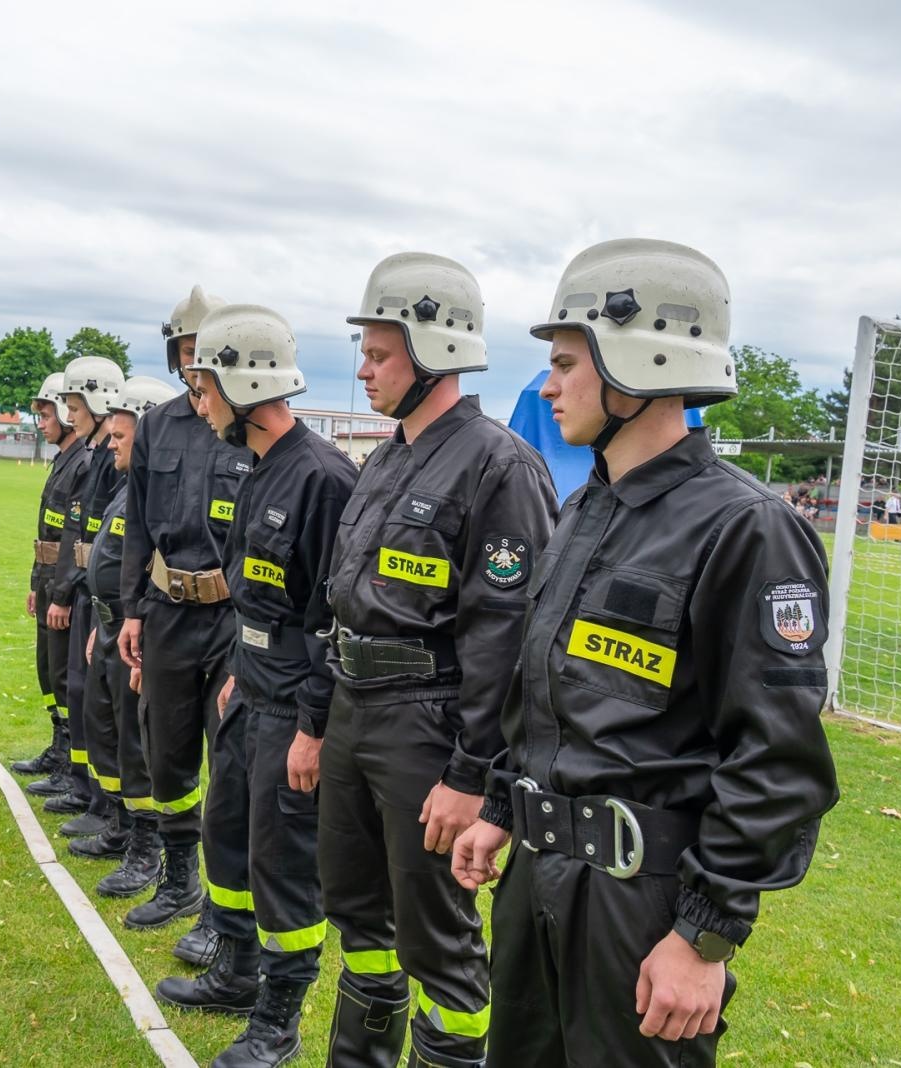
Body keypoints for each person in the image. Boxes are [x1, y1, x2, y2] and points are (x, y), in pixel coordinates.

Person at [450, 238, 840, 1067]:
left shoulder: (747, 529)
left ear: (641, 359)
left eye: (564, 362)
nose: (548, 384)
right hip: (540, 879)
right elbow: (544, 692)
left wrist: (705, 935)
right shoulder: (584, 509)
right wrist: (497, 807)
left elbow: (777, 761)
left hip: (642, 902)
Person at [320, 254, 557, 1068]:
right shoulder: (385, 459)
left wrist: (470, 775)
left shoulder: (498, 466)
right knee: (355, 909)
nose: (363, 370)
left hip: (428, 726)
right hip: (355, 709)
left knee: (439, 942)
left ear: (433, 354)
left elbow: (505, 643)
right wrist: (322, 724)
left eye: (379, 354)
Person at [158, 305, 358, 1068]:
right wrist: (238, 673)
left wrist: (312, 727)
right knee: (228, 837)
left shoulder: (323, 478)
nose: (197, 400)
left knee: (284, 866)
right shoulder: (257, 468)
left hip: (294, 712)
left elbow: (330, 619)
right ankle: (237, 970)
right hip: (250, 696)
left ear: (243, 385)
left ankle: (279, 1017)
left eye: (204, 385)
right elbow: (259, 598)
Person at [119, 285, 253, 961]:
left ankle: (220, 913)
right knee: (166, 754)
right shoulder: (158, 425)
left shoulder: (248, 426)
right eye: (186, 349)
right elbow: (138, 523)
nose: (194, 361)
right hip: (167, 614)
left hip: (233, 619)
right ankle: (178, 881)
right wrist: (132, 612)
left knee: (229, 766)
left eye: (205, 348)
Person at [76, 376, 180, 896]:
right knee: (111, 728)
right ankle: (119, 824)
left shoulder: (164, 497)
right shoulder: (128, 491)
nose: (111, 444)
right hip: (113, 628)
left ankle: (147, 848)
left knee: (139, 744)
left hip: (138, 636)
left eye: (121, 436)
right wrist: (103, 624)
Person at [45, 356, 128, 828]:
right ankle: (86, 787)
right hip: (84, 591)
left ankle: (102, 800)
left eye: (75, 406)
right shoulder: (97, 457)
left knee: (98, 699)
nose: (69, 415)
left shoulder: (111, 461)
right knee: (81, 691)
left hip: (100, 599)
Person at [16, 373, 94, 798]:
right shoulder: (63, 458)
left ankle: (69, 762)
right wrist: (36, 583)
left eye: (47, 414)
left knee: (64, 675)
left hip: (62, 584)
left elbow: (73, 536)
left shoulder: (81, 462)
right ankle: (57, 746)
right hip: (47, 579)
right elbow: (45, 531)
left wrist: (62, 593)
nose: (41, 423)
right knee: (48, 671)